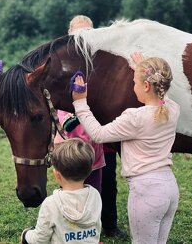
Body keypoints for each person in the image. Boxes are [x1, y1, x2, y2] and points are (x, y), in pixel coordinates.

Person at [72, 52, 180, 244]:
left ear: (146, 86)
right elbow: (163, 93)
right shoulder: (173, 109)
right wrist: (143, 67)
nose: (133, 86)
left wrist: (80, 102)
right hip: (169, 188)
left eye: (135, 82)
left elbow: (98, 134)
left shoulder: (135, 117)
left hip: (146, 191)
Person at [56, 15, 123, 238]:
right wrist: (67, 119)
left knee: (106, 182)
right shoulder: (61, 66)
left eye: (88, 34)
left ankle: (109, 225)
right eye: (78, 34)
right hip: (73, 137)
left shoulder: (101, 63)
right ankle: (74, 227)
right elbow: (57, 100)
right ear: (69, 36)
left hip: (100, 137)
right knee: (72, 182)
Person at [21, 138, 102, 244]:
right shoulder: (95, 195)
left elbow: (39, 240)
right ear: (89, 171)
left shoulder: (51, 203)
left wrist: (26, 234)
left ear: (57, 175)